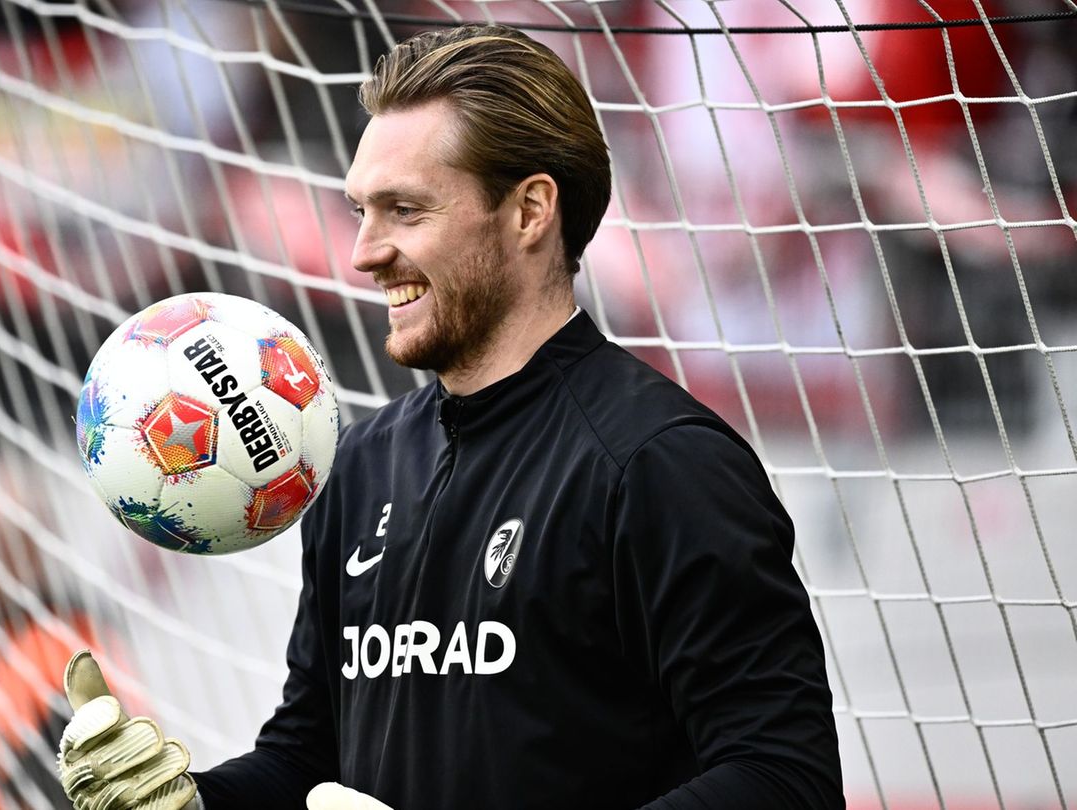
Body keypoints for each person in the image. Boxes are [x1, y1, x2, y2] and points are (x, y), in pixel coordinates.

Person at [56, 23, 844, 810]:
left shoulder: (658, 463)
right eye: (361, 209)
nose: (364, 252)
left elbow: (785, 779)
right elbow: (308, 754)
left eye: (404, 210)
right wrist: (190, 805)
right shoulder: (356, 464)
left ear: (530, 211)